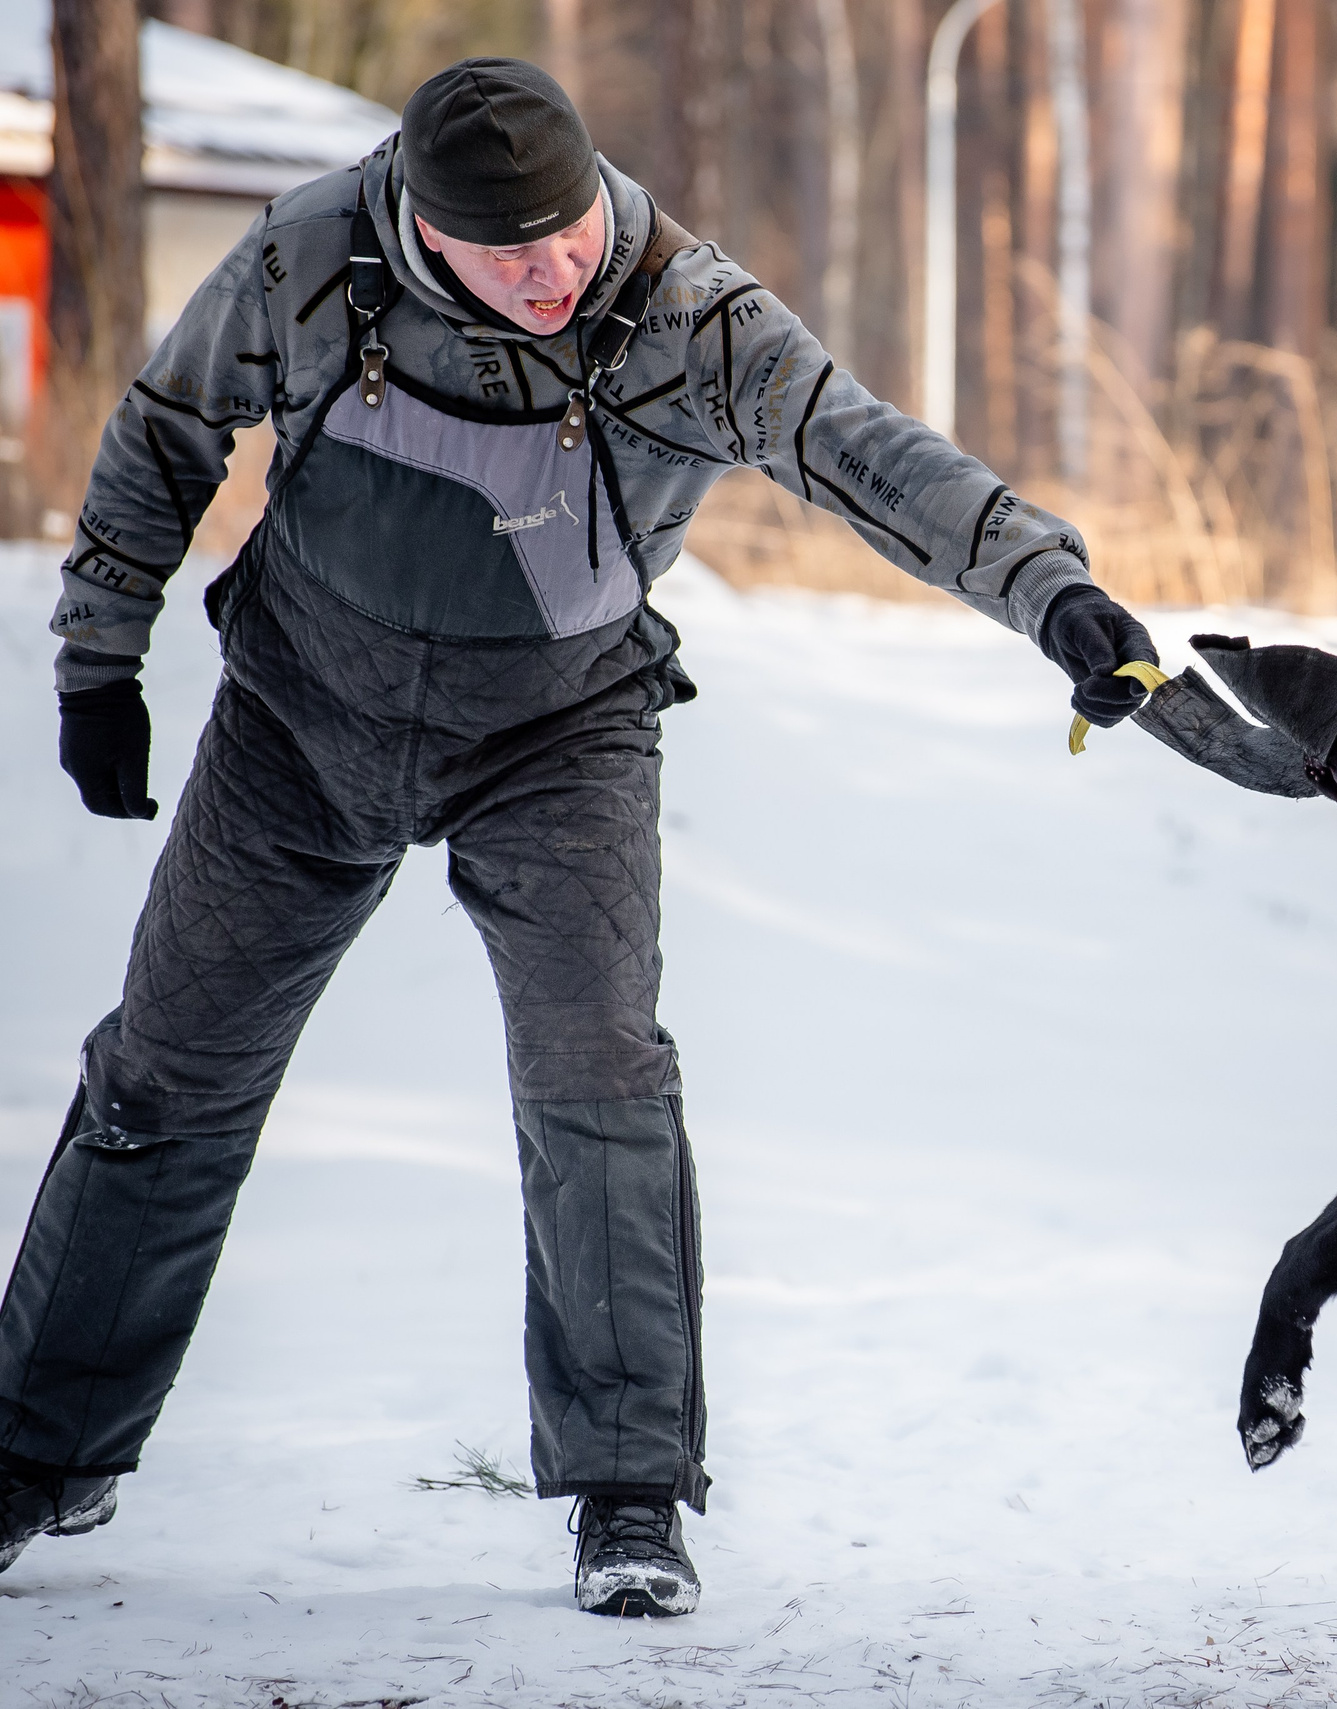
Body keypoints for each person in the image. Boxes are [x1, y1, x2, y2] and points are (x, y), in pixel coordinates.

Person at [2, 58, 1159, 1617]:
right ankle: (33, 1452)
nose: (553, 270)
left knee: (600, 1075)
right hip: (299, 721)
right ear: (420, 222)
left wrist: (1055, 593)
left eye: (566, 235)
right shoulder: (306, 257)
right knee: (166, 1067)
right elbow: (164, 436)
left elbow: (873, 457)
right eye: (509, 252)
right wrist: (98, 664)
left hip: (560, 737)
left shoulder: (686, 312)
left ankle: (630, 1491)